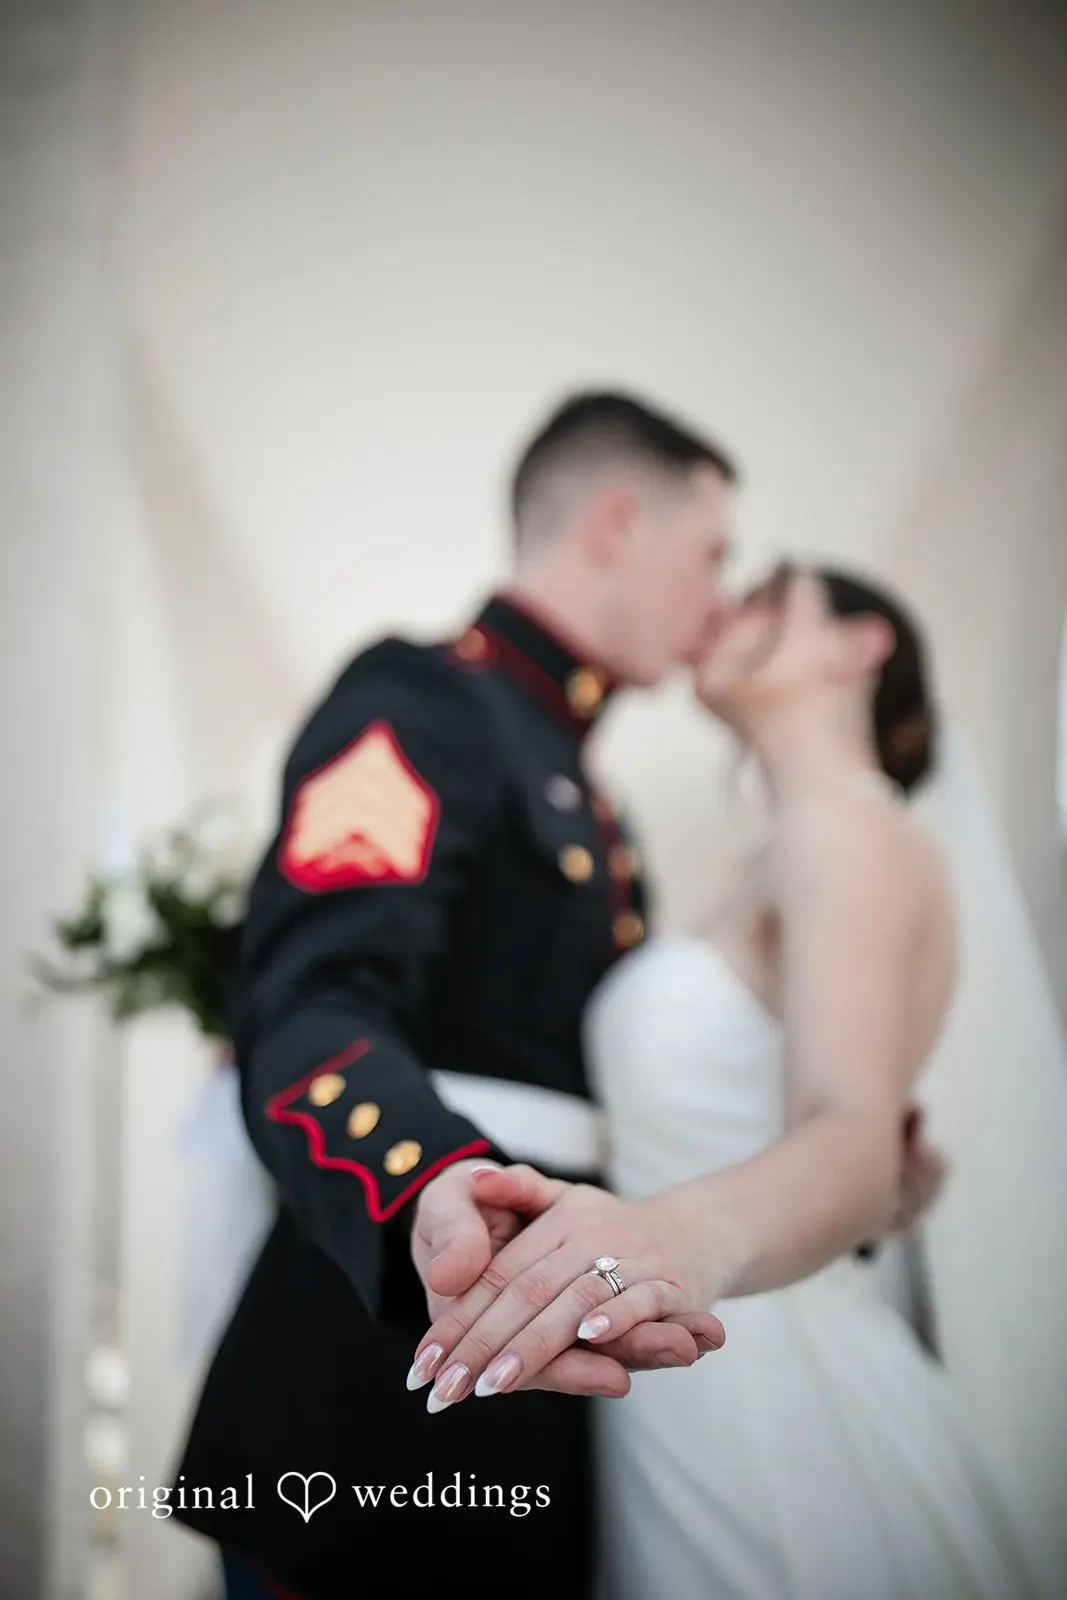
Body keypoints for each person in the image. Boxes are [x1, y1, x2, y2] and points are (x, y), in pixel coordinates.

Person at [169, 389, 738, 1600]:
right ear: (618, 523)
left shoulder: (602, 805)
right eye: (711, 553)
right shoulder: (417, 698)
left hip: (545, 1358)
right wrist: (423, 1174)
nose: (717, 605)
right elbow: (313, 994)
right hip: (377, 1378)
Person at [413, 565, 1049, 1597]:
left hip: (756, 1381)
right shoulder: (798, 850)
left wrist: (666, 1238)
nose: (723, 608)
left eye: (766, 596)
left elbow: (849, 1130)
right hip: (690, 1369)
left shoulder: (846, 831)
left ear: (859, 645)